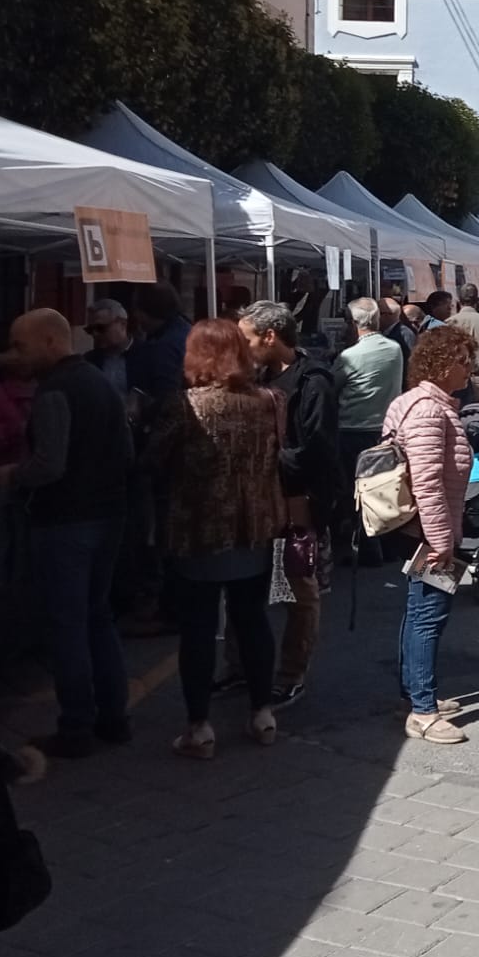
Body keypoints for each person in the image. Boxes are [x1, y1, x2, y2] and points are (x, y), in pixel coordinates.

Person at [0, 308, 133, 757]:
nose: (17, 355)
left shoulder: (57, 390)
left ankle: (77, 726)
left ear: (51, 342)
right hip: (108, 515)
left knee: (68, 625)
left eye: (21, 345)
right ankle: (113, 717)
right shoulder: (99, 382)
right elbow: (125, 450)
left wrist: (12, 473)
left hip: (68, 521)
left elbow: (50, 464)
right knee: (97, 617)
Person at [145, 319, 285, 759]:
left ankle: (199, 726)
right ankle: (263, 713)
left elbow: (153, 460)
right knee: (253, 620)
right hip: (256, 526)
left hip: (201, 527)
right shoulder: (268, 400)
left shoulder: (187, 405)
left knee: (200, 629)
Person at [237, 300, 341, 709]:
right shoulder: (260, 375)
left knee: (300, 587)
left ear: (269, 336)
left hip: (297, 497)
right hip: (262, 496)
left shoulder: (313, 381)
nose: (241, 347)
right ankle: (241, 666)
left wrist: (261, 454)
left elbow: (316, 449)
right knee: (249, 585)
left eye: (247, 338)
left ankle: (291, 673)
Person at [384, 325, 476, 745]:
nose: (469, 369)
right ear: (442, 364)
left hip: (419, 529)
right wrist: (441, 540)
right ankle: (422, 710)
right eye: (463, 360)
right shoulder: (428, 410)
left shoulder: (421, 403)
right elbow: (427, 482)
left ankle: (415, 694)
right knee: (428, 616)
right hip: (428, 531)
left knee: (417, 612)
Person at [334, 298, 405, 574]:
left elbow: (332, 387)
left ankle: (366, 547)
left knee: (355, 493)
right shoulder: (395, 349)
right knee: (383, 490)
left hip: (352, 429)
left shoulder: (349, 357)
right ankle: (384, 545)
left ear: (354, 324)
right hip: (385, 429)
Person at [129, 282, 191, 405]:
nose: (135, 315)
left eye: (137, 309)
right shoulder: (187, 329)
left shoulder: (163, 346)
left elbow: (165, 397)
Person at [84, 297, 136, 396]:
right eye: (90, 330)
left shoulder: (147, 355)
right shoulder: (89, 361)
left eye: (101, 328)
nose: (95, 334)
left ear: (123, 324)